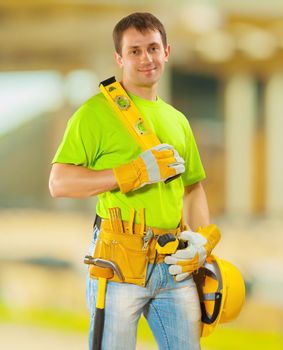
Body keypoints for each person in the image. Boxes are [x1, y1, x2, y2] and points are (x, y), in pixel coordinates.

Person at [49, 12, 219, 350]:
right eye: (135, 51)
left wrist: (202, 245)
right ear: (119, 58)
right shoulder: (94, 114)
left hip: (174, 267)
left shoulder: (177, 120)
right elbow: (60, 183)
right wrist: (130, 173)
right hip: (118, 266)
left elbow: (193, 188)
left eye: (153, 48)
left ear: (166, 52)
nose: (146, 58)